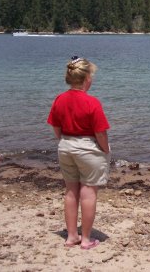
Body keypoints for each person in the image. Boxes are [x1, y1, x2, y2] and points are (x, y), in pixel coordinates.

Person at [47, 56, 111, 250]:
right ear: (86, 79)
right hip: (88, 148)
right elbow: (100, 133)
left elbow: (56, 129)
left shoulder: (60, 99)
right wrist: (105, 150)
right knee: (89, 192)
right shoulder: (92, 102)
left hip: (65, 145)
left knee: (71, 191)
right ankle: (85, 239)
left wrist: (67, 141)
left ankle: (71, 236)